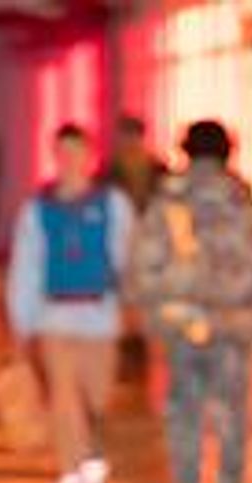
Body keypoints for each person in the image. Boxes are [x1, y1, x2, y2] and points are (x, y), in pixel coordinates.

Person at [128, 119, 252, 483]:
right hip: (231, 325)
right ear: (228, 153)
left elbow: (143, 265)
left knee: (184, 414)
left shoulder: (168, 199)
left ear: (186, 152)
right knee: (230, 416)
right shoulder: (241, 200)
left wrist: (155, 307)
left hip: (182, 322)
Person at [6, 122, 135, 483]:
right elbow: (26, 267)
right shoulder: (37, 210)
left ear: (90, 157)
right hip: (55, 316)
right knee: (63, 395)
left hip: (101, 315)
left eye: (76, 153)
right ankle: (70, 469)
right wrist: (22, 323)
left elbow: (127, 256)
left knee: (96, 398)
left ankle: (91, 449)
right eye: (62, 153)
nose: (69, 161)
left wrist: (131, 303)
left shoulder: (113, 204)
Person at [101, 114, 166, 379]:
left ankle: (138, 343)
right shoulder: (110, 170)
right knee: (124, 291)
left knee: (142, 291)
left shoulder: (157, 168)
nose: (127, 141)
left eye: (131, 135)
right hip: (121, 236)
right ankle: (129, 344)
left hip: (149, 236)